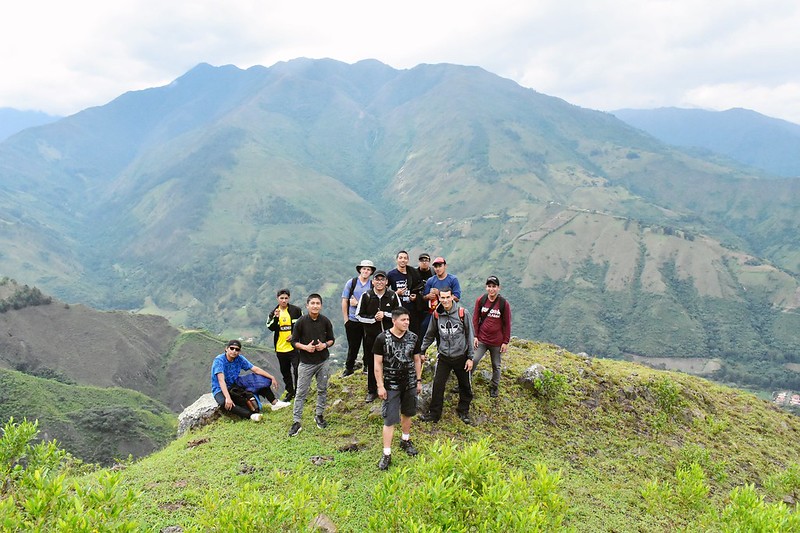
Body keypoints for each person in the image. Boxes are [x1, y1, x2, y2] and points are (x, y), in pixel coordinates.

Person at [374, 307, 422, 470]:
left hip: (409, 382)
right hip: (391, 384)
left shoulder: (413, 338)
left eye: (408, 320)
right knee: (389, 419)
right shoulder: (382, 338)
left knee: (408, 413)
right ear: (394, 320)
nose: (406, 322)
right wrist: (380, 386)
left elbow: (417, 360)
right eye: (403, 320)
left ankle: (405, 440)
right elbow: (377, 364)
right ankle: (386, 453)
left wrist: (418, 380)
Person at [419, 287, 475, 425]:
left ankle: (463, 411)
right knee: (438, 385)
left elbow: (470, 336)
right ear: (439, 299)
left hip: (461, 356)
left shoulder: (463, 313)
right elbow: (430, 334)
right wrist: (421, 350)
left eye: (447, 297)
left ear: (452, 297)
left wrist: (470, 357)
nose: (445, 300)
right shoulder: (437, 315)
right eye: (442, 298)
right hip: (444, 356)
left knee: (465, 386)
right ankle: (434, 414)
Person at [288, 294, 335, 437]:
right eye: (312, 303)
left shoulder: (325, 321)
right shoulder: (301, 322)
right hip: (306, 362)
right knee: (301, 392)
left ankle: (319, 415)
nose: (315, 306)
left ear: (321, 305)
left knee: (322, 389)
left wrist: (324, 345)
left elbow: (331, 339)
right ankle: (296, 422)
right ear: (307, 305)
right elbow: (293, 341)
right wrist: (305, 347)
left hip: (323, 361)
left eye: (318, 303)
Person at [211, 340, 287, 422]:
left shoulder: (239, 359)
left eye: (237, 349)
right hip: (219, 388)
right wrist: (228, 398)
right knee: (223, 402)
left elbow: (255, 369)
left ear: (239, 351)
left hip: (235, 383)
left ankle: (275, 403)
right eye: (232, 348)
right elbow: (221, 380)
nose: (234, 351)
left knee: (260, 381)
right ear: (226, 349)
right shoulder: (219, 360)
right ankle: (250, 415)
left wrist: (271, 377)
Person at [356, 270, 402, 403]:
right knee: (372, 363)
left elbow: (400, 313)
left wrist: (385, 315)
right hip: (371, 337)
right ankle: (372, 390)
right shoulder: (367, 296)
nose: (380, 282)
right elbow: (359, 315)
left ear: (387, 282)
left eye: (382, 280)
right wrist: (373, 319)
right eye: (377, 279)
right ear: (373, 281)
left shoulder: (392, 296)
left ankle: (390, 388)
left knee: (391, 362)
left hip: (390, 336)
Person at [472, 276, 512, 398]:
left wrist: (505, 341)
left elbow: (507, 323)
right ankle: (465, 383)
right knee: (473, 360)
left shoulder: (503, 304)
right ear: (486, 287)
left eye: (494, 286)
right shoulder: (481, 300)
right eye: (489, 286)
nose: (491, 289)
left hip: (496, 341)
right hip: (482, 339)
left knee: (496, 365)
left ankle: (494, 386)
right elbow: (475, 318)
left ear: (498, 288)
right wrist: (475, 336)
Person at [266, 288, 303, 401]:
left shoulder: (296, 310)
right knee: (285, 372)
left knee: (297, 369)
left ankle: (298, 392)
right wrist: (276, 318)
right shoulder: (273, 312)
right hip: (280, 348)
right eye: (281, 298)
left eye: (286, 298)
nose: (284, 300)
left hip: (294, 346)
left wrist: (294, 335)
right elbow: (270, 327)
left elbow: (302, 325)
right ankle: (290, 392)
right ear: (277, 299)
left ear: (289, 298)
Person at [341, 260, 375, 377]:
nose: (366, 271)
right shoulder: (352, 283)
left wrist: (358, 303)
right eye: (364, 268)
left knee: (368, 345)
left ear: (371, 272)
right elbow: (345, 300)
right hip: (353, 320)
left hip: (366, 320)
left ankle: (367, 366)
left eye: (368, 269)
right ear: (360, 269)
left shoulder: (372, 285)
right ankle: (349, 368)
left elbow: (373, 303)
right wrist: (346, 320)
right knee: (353, 346)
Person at [421, 256, 462, 336]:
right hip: (433, 312)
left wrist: (440, 294)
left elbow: (457, 297)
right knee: (423, 329)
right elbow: (424, 297)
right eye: (436, 266)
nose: (438, 268)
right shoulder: (431, 280)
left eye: (440, 266)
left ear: (445, 266)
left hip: (449, 312)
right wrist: (429, 296)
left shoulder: (453, 279)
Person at [387, 250, 422, 335]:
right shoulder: (391, 274)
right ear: (397, 260)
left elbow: (419, 287)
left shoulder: (413, 272)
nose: (403, 260)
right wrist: (396, 293)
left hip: (412, 309)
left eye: (405, 258)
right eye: (400, 258)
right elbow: (385, 291)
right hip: (398, 309)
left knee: (414, 334)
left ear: (408, 260)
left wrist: (415, 296)